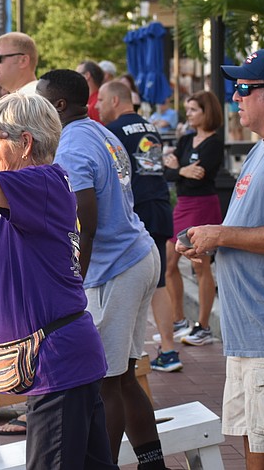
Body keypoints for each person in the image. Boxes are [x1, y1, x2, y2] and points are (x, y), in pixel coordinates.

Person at [0, 1, 116, 470]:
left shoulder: (42, 182)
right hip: (58, 362)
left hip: (57, 365)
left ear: (25, 143)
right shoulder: (14, 186)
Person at [178, 49, 264, 469]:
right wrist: (213, 243)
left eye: (243, 88)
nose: (234, 97)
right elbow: (257, 227)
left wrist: (220, 234)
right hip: (253, 330)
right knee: (257, 439)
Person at [36, 69, 166, 468]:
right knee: (124, 376)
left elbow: (85, 224)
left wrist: (74, 281)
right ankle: (152, 461)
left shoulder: (72, 146)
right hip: (137, 256)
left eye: (41, 103)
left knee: (104, 380)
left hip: (116, 268)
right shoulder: (100, 131)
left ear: (58, 105)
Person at [96, 81, 182, 373]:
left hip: (139, 208)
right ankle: (165, 349)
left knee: (152, 283)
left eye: (103, 100)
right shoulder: (150, 127)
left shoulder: (115, 132)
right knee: (158, 282)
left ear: (117, 100)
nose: (98, 105)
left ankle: (163, 350)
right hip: (159, 204)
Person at [163, 91, 224, 346]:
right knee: (169, 264)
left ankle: (204, 326)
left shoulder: (214, 142)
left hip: (203, 206)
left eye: (193, 110)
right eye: (187, 109)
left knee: (200, 266)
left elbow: (201, 174)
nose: (188, 114)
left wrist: (180, 170)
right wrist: (182, 170)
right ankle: (178, 321)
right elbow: (167, 172)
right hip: (183, 205)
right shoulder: (186, 139)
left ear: (206, 112)